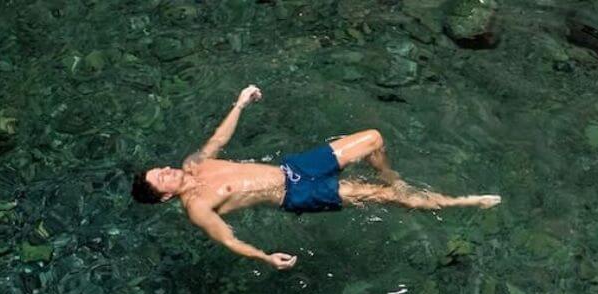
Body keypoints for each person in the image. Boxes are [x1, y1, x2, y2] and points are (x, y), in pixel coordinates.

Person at [131, 84, 501, 270]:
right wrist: (264, 256)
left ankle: (394, 178)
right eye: (161, 178)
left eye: (160, 168)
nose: (166, 170)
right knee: (379, 197)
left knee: (373, 138)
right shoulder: (197, 207)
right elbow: (228, 239)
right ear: (164, 196)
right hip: (297, 195)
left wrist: (240, 103)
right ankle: (458, 202)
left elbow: (218, 139)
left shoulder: (193, 163)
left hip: (294, 168)